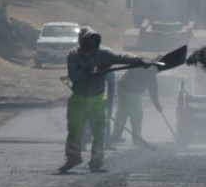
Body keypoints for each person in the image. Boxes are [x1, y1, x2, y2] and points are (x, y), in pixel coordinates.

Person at [59, 26, 149, 173]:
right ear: (82, 41)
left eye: (95, 40)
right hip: (79, 99)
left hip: (98, 99)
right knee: (75, 131)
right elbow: (74, 76)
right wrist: (89, 72)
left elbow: (122, 57)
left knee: (99, 132)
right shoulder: (73, 55)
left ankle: (96, 162)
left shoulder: (104, 54)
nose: (92, 43)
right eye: (89, 40)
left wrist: (139, 61)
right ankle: (73, 158)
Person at [110, 65, 162, 146]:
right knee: (137, 114)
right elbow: (153, 91)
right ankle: (137, 138)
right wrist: (157, 104)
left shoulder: (142, 65)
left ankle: (116, 135)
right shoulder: (150, 73)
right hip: (132, 93)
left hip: (122, 90)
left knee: (122, 114)